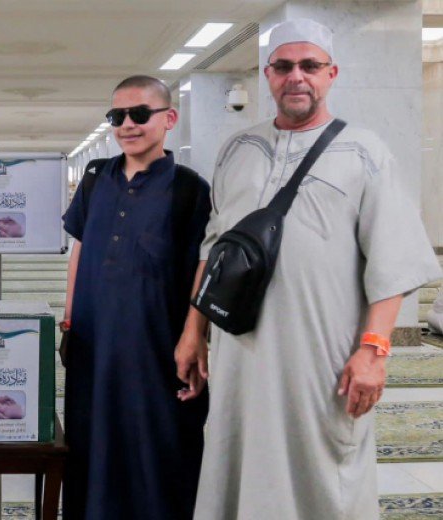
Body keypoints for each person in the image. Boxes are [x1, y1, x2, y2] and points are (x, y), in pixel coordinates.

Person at [173, 19, 442, 520]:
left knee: (324, 470)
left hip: (322, 355)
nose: (296, 76)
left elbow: (394, 261)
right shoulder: (238, 149)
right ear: (268, 75)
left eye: (309, 65)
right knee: (237, 455)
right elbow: (214, 249)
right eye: (283, 66)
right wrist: (194, 332)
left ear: (330, 73)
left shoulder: (365, 152)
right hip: (239, 352)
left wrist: (374, 352)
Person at [61, 75, 211, 520]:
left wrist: (194, 335)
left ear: (169, 119)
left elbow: (203, 264)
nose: (127, 124)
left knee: (158, 445)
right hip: (94, 343)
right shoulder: (95, 178)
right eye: (117, 116)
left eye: (140, 114)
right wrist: (69, 318)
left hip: (156, 346)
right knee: (92, 440)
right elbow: (80, 247)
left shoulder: (190, 188)